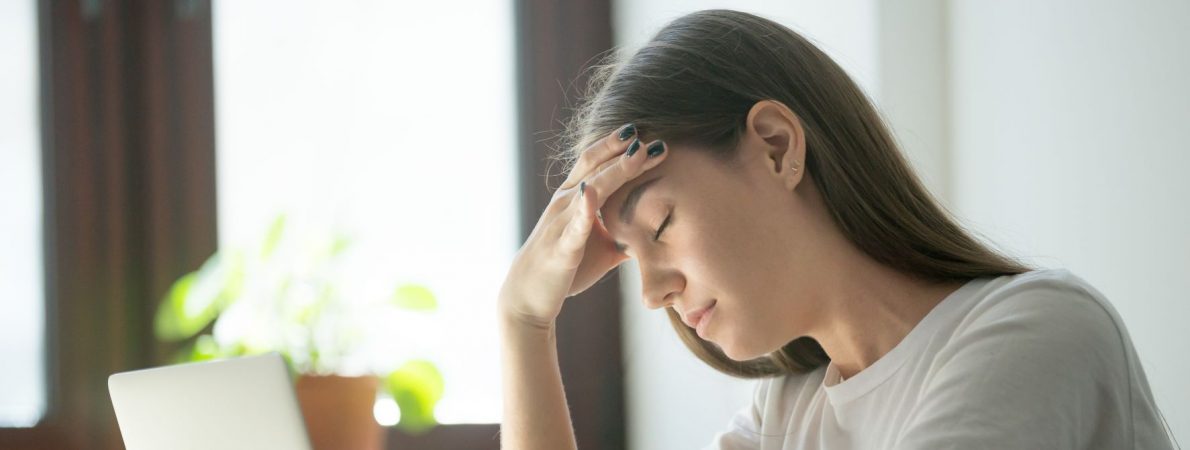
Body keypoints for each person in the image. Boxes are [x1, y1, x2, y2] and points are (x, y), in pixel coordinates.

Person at [497, 8, 1178, 450]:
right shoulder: (788, 413)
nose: (652, 292)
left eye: (663, 224)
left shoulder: (1039, 331)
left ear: (774, 146)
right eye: (629, 255)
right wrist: (523, 321)